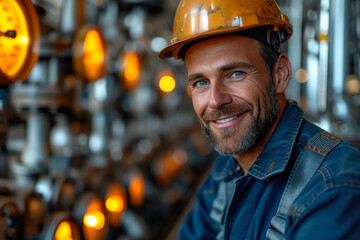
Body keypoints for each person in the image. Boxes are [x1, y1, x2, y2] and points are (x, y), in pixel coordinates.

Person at [159, 0, 360, 239]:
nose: (215, 100)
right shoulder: (225, 174)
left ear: (280, 75)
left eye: (235, 73)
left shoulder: (333, 188)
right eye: (200, 82)